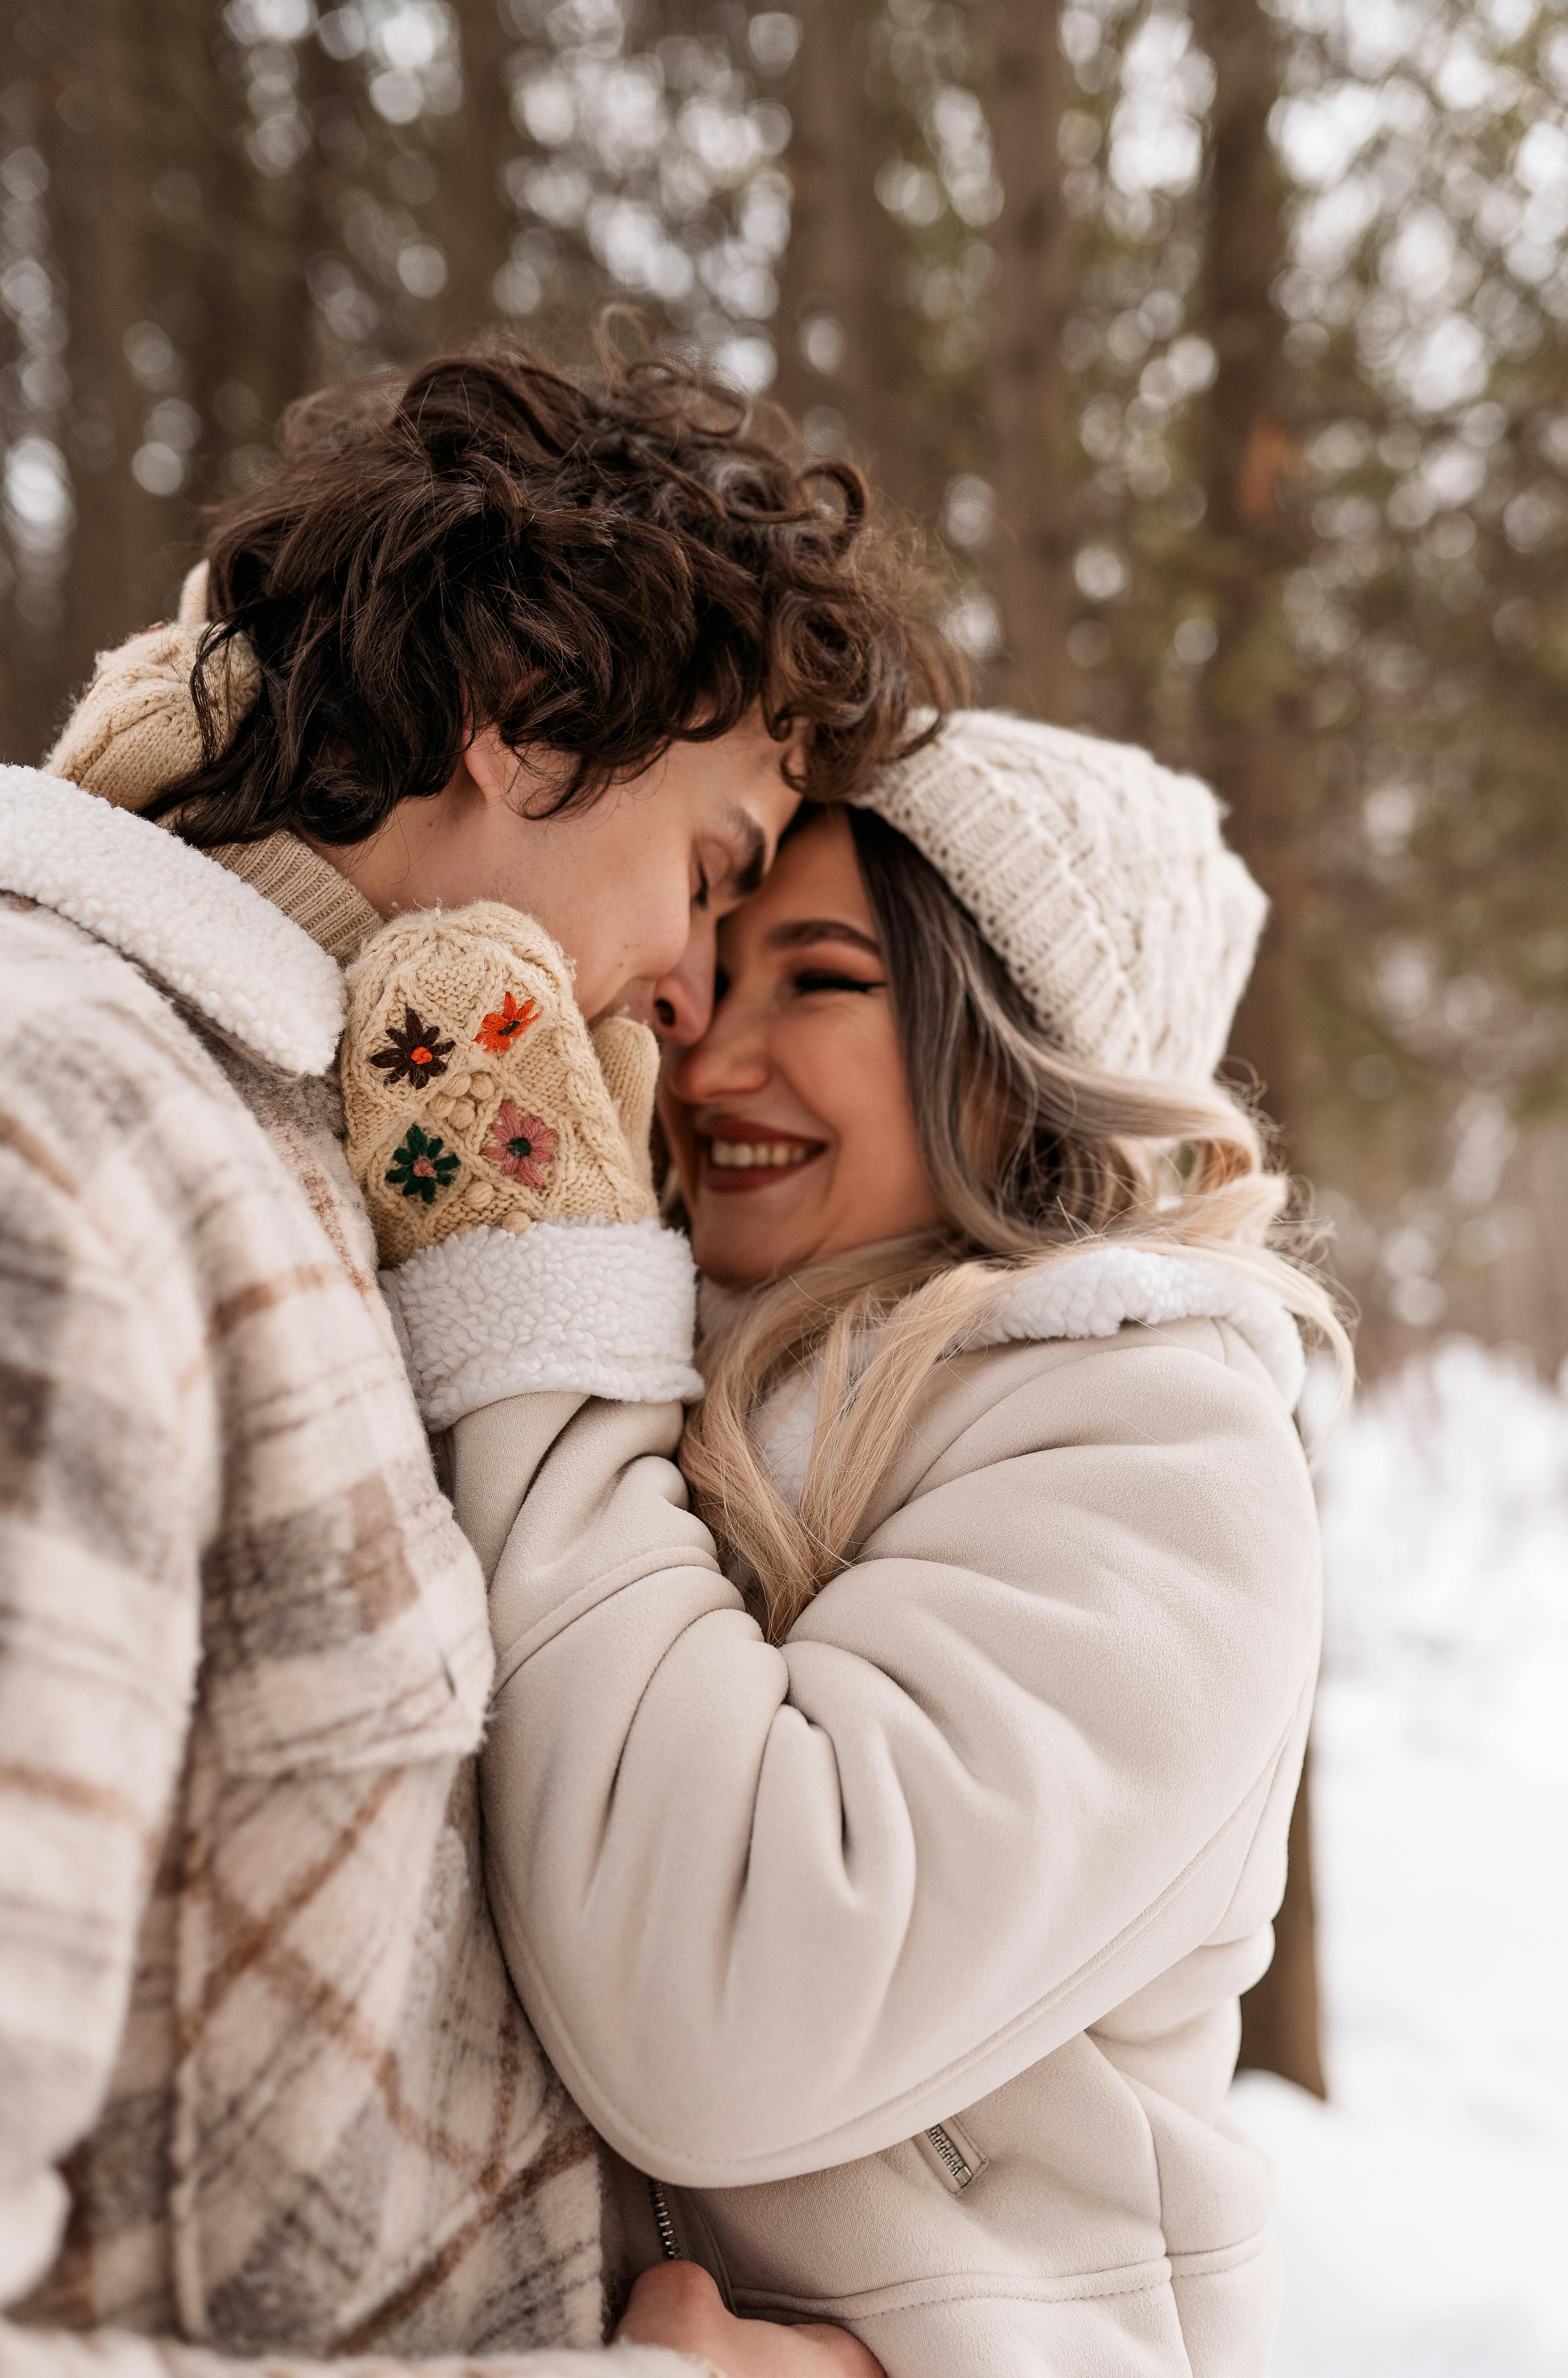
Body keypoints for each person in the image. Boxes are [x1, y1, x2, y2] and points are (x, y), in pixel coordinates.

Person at [0, 333, 947, 2377]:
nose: (695, 996)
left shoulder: (360, 1153)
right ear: (519, 726)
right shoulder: (57, 1141)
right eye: (709, 870)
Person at [340, 711, 1349, 2378]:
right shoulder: (688, 1345)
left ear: (1023, 1054)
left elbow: (720, 2000)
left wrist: (543, 1314)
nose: (715, 1058)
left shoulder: (1162, 1446)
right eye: (710, 976)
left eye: (818, 980)